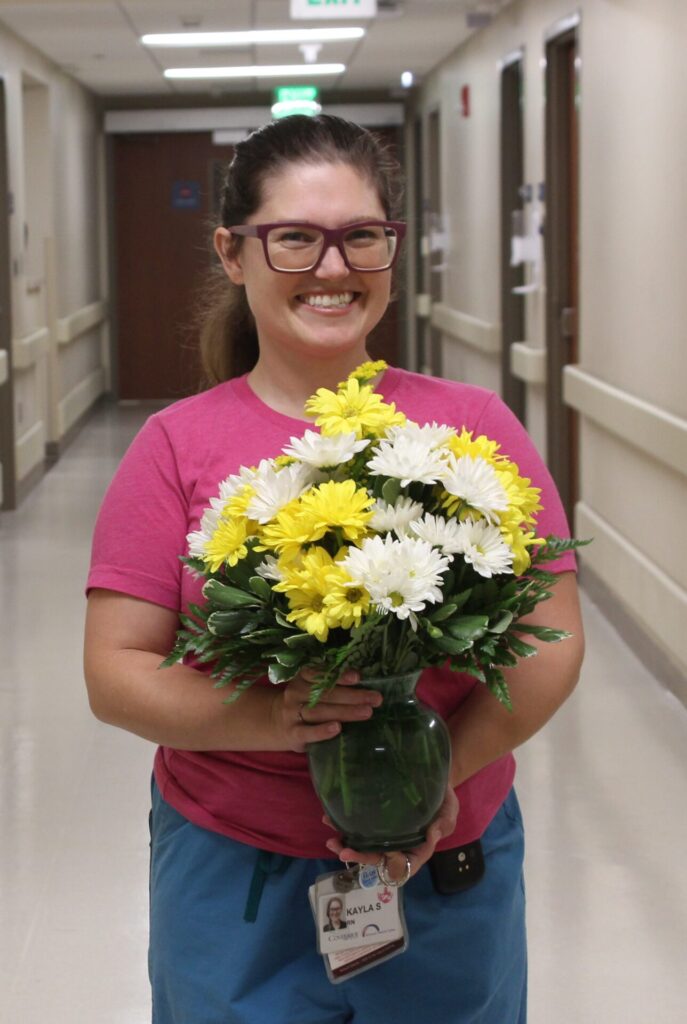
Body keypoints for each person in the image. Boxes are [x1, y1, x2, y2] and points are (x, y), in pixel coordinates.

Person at [84, 114, 584, 1023]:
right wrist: (279, 721)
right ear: (233, 255)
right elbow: (114, 674)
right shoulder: (175, 445)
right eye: (294, 240)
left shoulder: (472, 427)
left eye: (361, 235)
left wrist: (438, 778)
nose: (331, 267)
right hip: (235, 868)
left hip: (447, 872)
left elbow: (548, 643)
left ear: (390, 251)